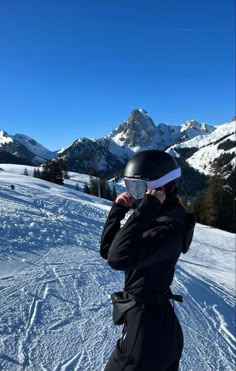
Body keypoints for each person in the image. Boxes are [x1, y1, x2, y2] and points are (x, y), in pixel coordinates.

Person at [100, 150, 195, 371]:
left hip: (146, 331)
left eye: (139, 189)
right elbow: (108, 250)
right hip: (156, 326)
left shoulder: (167, 227)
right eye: (130, 187)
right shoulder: (161, 216)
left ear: (159, 188)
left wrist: (146, 208)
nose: (134, 196)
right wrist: (118, 211)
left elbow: (117, 258)